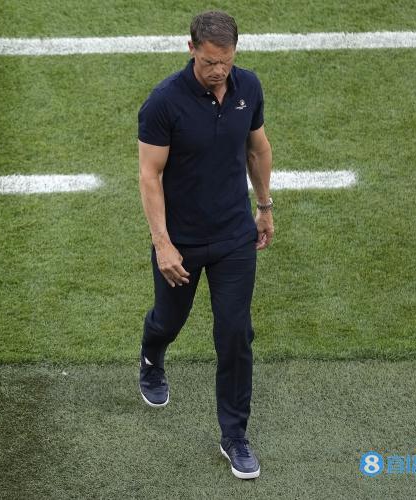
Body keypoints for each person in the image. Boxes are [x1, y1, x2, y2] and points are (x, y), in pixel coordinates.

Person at [136, 10, 274, 480]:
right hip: (182, 241)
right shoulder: (163, 103)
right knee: (168, 320)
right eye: (211, 61)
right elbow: (150, 176)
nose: (219, 71)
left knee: (235, 334)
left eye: (226, 61)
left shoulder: (247, 86)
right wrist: (162, 244)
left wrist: (265, 206)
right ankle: (152, 354)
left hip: (234, 237)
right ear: (191, 48)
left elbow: (257, 147)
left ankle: (234, 436)